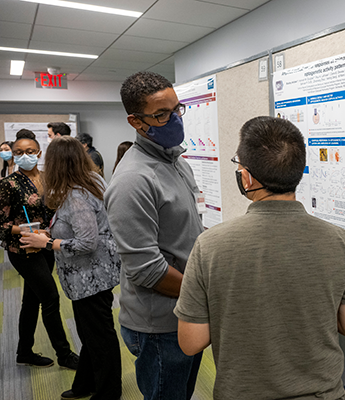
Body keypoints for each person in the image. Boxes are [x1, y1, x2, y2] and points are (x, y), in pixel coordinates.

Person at [175, 116, 345, 400]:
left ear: (246, 177)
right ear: (298, 172)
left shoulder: (210, 245)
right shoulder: (340, 241)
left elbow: (191, 342)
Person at [105, 71, 204, 400]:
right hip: (159, 326)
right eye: (162, 114)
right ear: (136, 121)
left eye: (177, 109)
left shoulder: (176, 162)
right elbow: (146, 269)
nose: (174, 119)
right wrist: (206, 292)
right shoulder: (133, 179)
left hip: (187, 311)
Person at [20, 136, 122, 400]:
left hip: (90, 275)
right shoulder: (89, 181)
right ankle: (86, 383)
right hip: (93, 274)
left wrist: (48, 242)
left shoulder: (77, 195)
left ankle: (108, 392)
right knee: (91, 334)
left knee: (99, 336)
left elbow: (87, 242)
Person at [0, 132, 79, 371]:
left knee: (31, 300)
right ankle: (64, 354)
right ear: (13, 156)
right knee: (51, 298)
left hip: (46, 246)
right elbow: (1, 224)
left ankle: (24, 352)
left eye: (30, 151)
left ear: (39, 153)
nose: (25, 156)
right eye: (19, 152)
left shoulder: (48, 178)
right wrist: (26, 230)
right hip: (23, 249)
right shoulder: (8, 184)